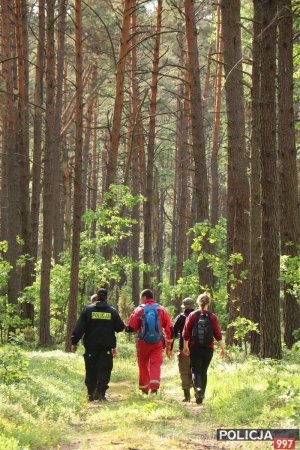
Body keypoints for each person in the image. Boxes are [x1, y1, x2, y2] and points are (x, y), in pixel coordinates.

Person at [71, 288, 125, 401]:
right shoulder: (113, 312)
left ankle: (90, 394)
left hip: (91, 347)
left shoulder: (88, 310)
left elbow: (80, 327)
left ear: (97, 297)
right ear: (106, 298)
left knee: (91, 369)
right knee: (104, 369)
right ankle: (101, 394)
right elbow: (120, 327)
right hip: (106, 348)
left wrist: (74, 341)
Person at [125, 289, 173, 394]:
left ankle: (144, 389)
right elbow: (170, 328)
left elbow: (132, 327)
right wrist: (169, 345)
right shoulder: (161, 309)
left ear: (144, 297)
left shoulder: (139, 310)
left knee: (143, 365)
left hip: (143, 342)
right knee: (155, 364)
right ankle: (154, 388)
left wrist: (126, 327)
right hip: (157, 343)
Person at [182, 293, 225, 404]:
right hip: (208, 348)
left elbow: (186, 333)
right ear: (208, 303)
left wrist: (186, 346)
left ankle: (198, 390)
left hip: (195, 347)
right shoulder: (212, 317)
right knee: (203, 371)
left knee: (195, 370)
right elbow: (218, 334)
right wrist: (222, 349)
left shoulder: (192, 315)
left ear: (198, 302)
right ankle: (201, 395)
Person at [172, 297, 195, 402]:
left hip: (183, 349)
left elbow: (173, 333)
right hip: (197, 349)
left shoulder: (180, 318)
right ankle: (198, 393)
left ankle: (187, 396)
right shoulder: (198, 316)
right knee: (197, 371)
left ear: (184, 307)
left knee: (184, 371)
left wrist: (170, 347)